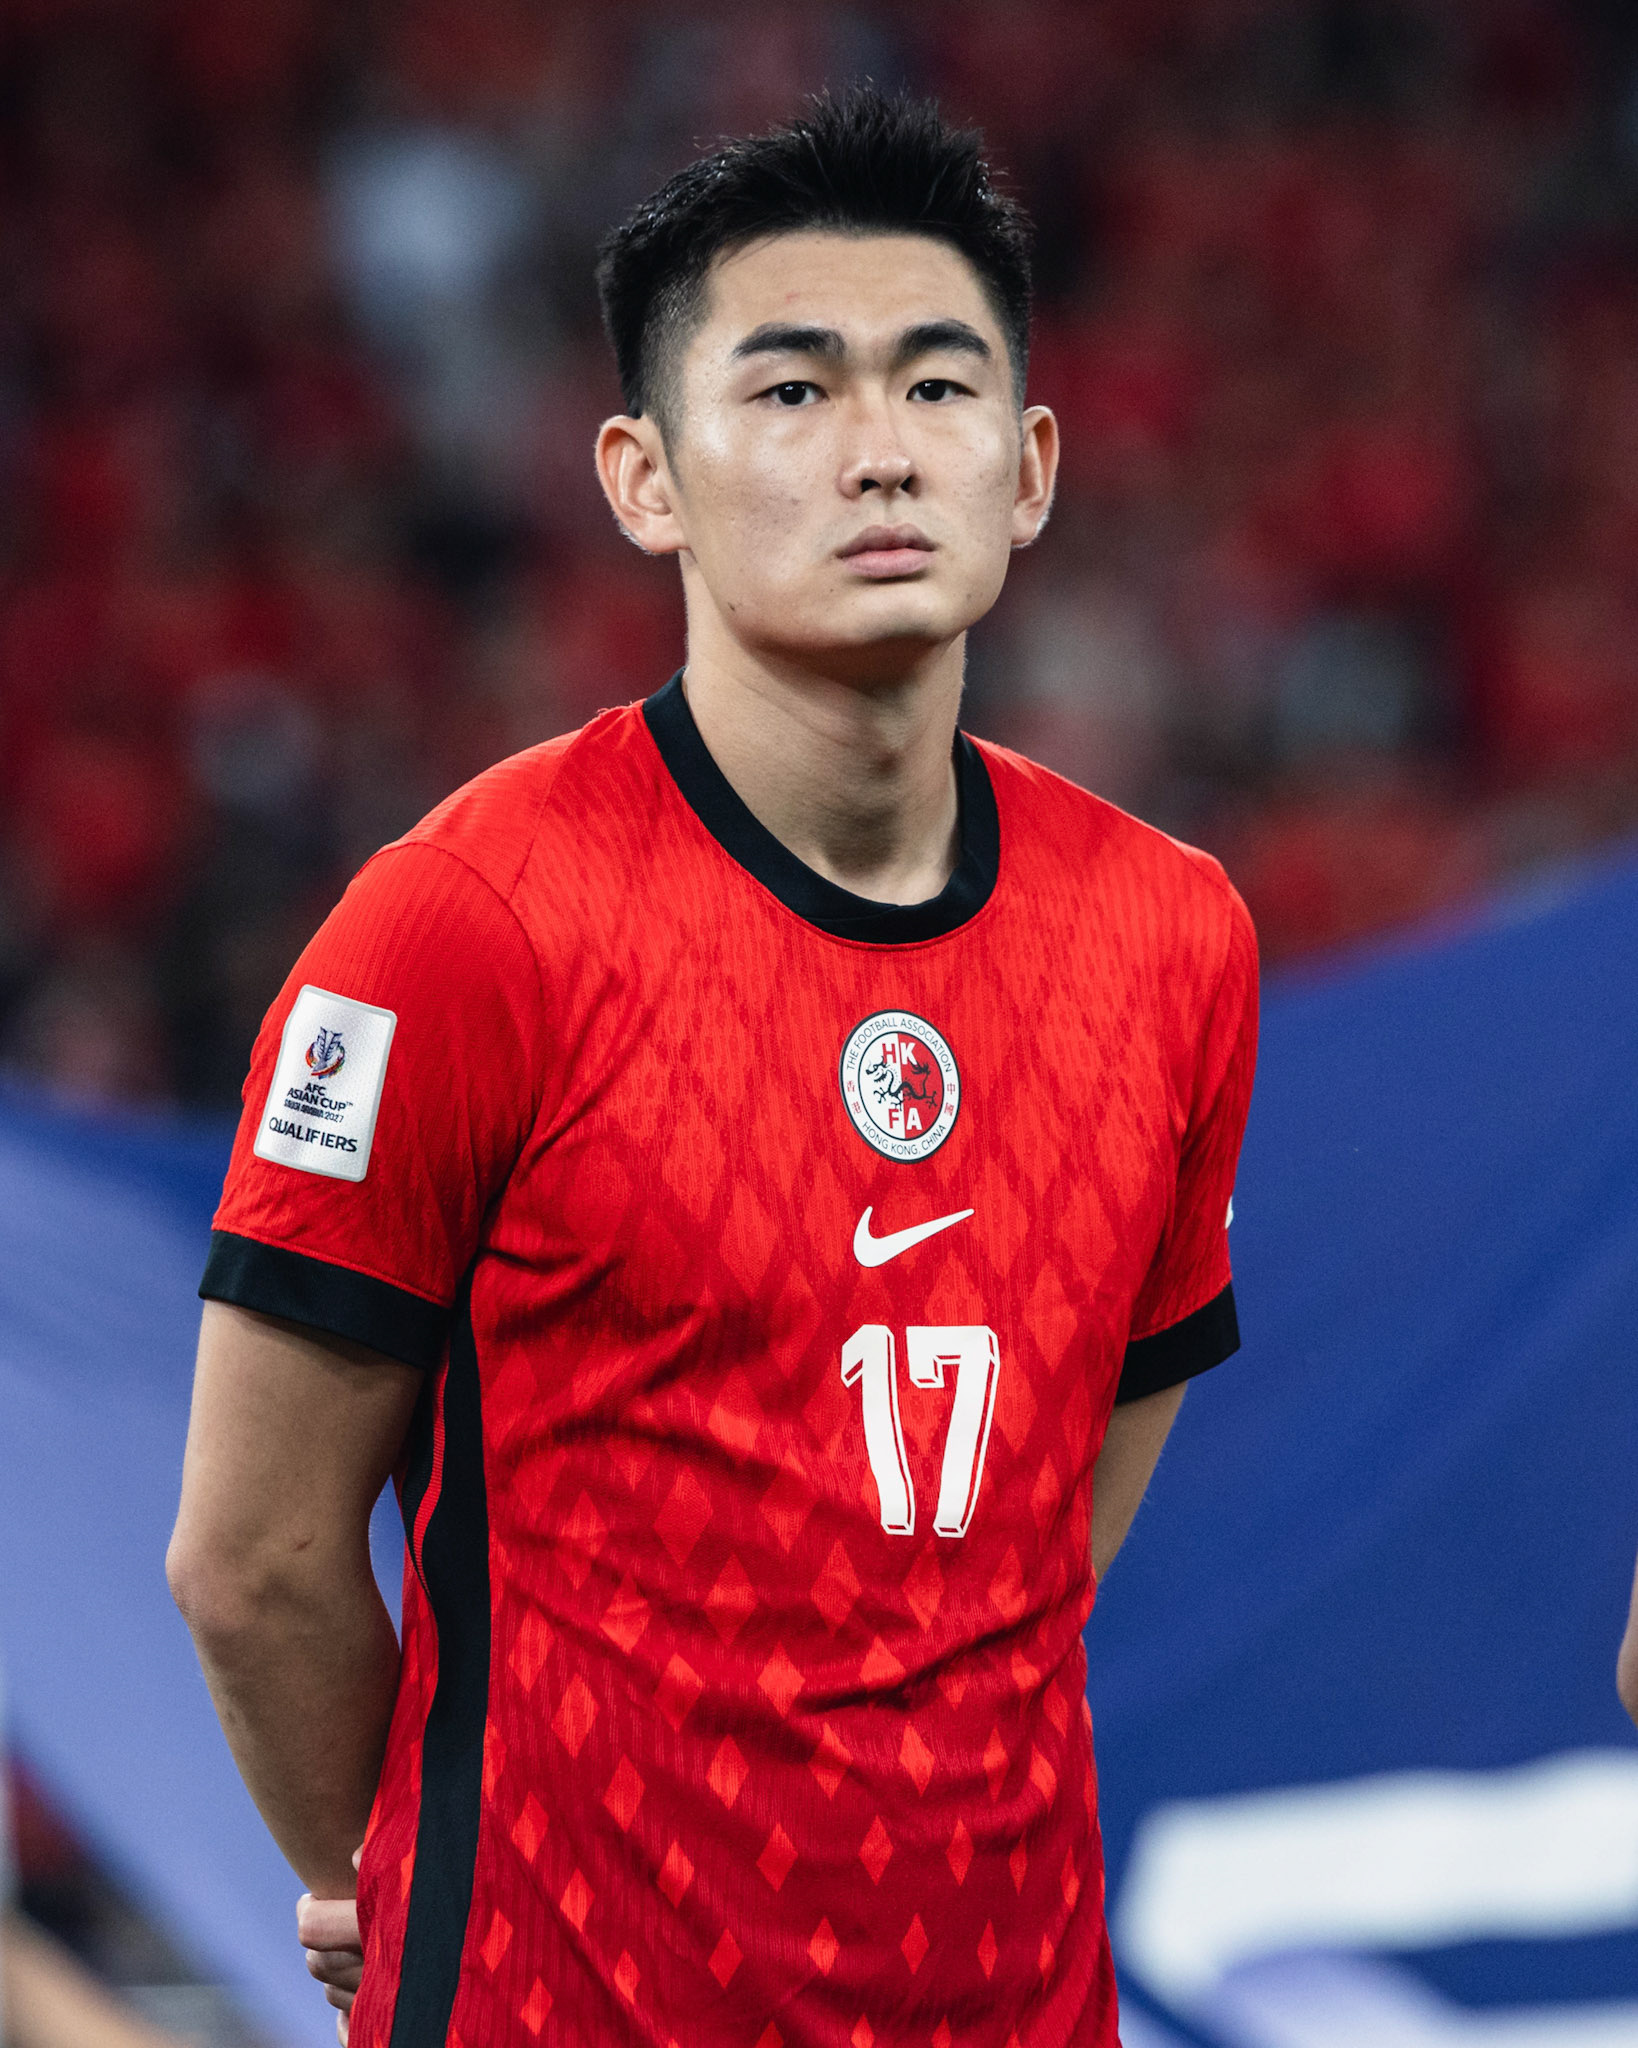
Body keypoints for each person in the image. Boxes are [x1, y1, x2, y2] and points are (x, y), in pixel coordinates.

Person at [167, 88, 1258, 2048]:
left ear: (1031, 468)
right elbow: (251, 1555)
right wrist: (399, 1856)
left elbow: (1042, 1521)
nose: (876, 453)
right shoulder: (458, 930)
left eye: (937, 390)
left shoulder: (1176, 936)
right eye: (791, 392)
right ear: (642, 476)